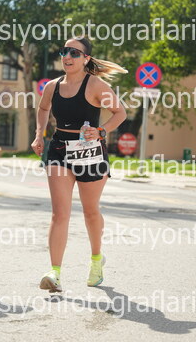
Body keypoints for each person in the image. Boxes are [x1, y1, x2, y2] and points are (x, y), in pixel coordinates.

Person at [31, 37, 127, 293]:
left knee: (90, 211)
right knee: (59, 213)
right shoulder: (52, 86)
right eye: (65, 51)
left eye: (74, 52)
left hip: (90, 153)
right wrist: (39, 134)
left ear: (86, 59)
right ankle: (55, 273)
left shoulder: (96, 85)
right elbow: (43, 109)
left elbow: (120, 112)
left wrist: (102, 131)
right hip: (60, 148)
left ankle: (96, 259)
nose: (67, 56)